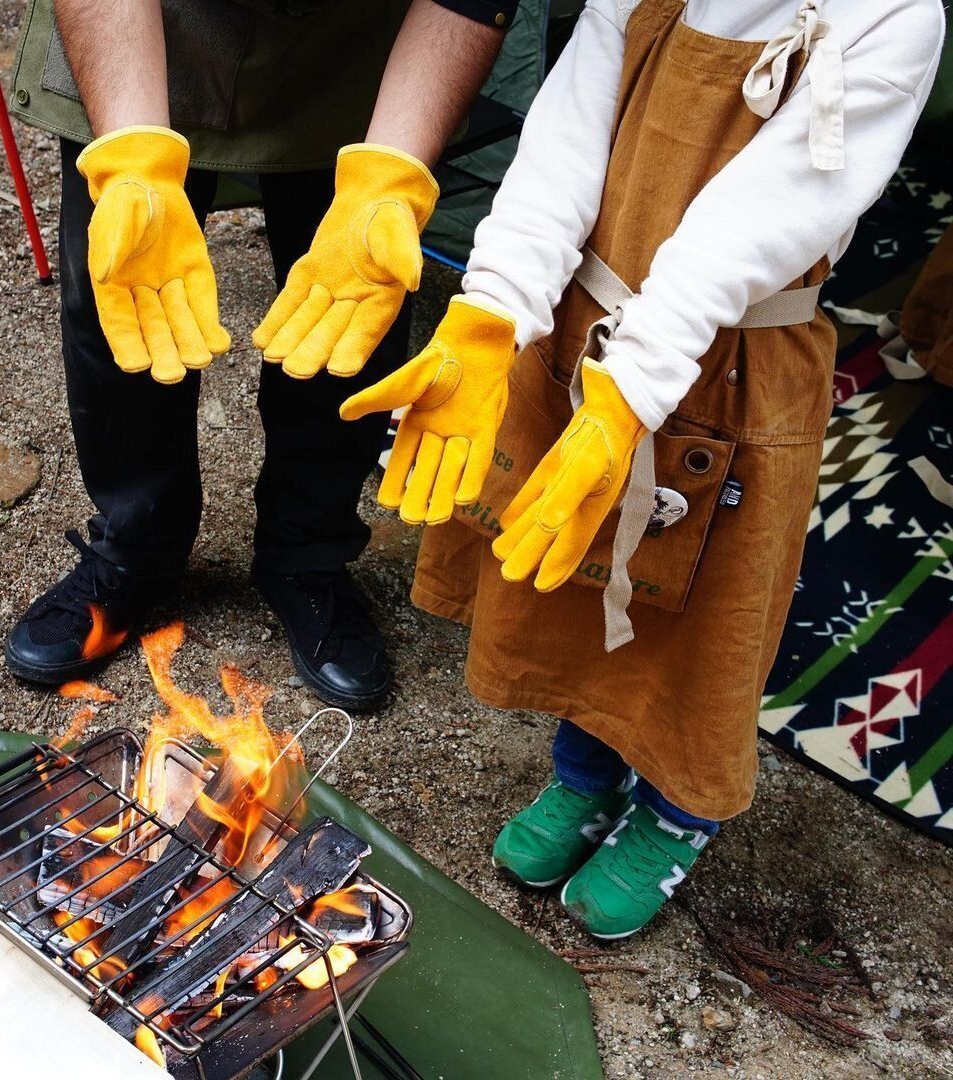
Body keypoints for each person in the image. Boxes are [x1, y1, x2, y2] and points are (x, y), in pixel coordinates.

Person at [338, 0, 944, 937]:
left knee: (701, 632)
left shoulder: (894, 16)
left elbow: (762, 221)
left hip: (738, 364)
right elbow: (568, 136)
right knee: (575, 590)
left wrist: (634, 390)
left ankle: (675, 818)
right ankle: (584, 777)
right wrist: (498, 306)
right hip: (590, 321)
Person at [3, 0, 512, 710]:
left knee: (353, 300)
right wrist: (131, 164)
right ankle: (134, 553)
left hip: (364, 53)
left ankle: (309, 555)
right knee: (124, 284)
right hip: (146, 29)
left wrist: (387, 181)